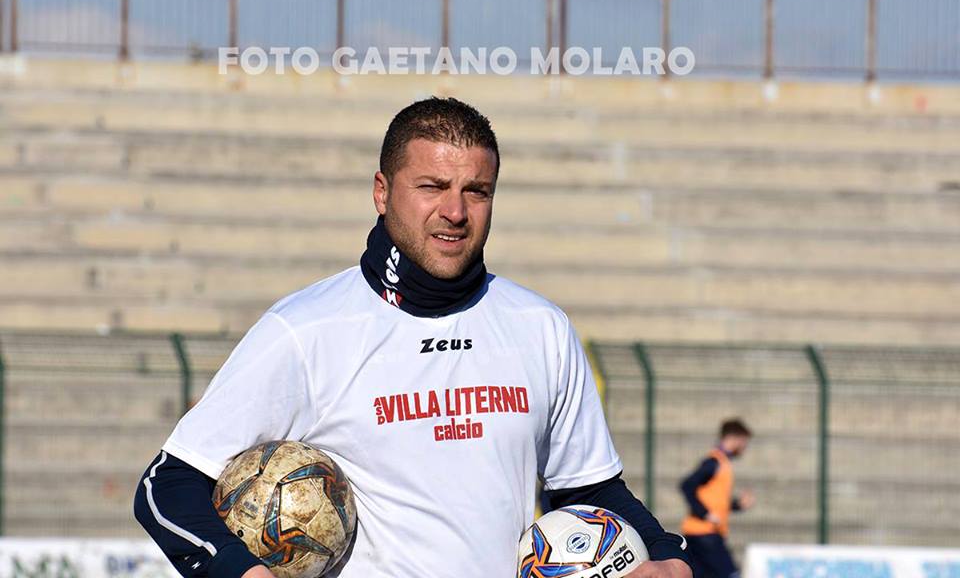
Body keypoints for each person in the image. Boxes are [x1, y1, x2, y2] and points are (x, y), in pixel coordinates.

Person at [133, 97, 691, 578]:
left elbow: (588, 491)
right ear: (382, 192)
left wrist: (667, 554)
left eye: (477, 191)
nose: (455, 211)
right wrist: (241, 571)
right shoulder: (306, 330)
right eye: (432, 186)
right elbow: (167, 486)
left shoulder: (540, 326)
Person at [679, 419, 755, 578]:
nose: (744, 446)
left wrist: (738, 505)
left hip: (702, 533)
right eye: (744, 441)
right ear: (734, 438)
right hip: (705, 533)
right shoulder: (714, 462)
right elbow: (687, 485)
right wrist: (704, 513)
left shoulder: (722, 462)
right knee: (731, 574)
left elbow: (717, 500)